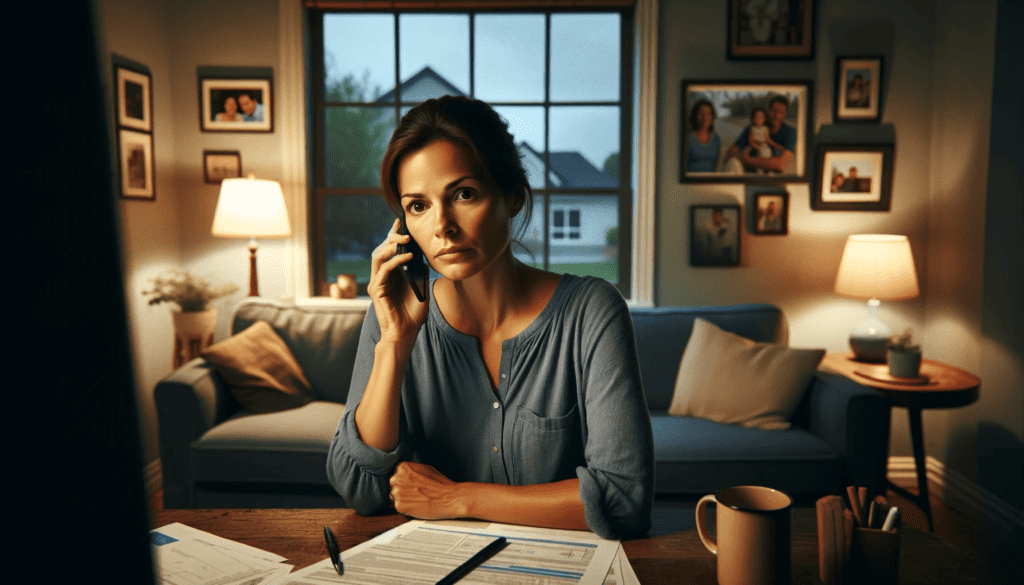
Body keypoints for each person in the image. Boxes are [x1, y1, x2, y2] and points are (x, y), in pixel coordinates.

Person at [325, 95, 654, 540]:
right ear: (403, 226)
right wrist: (395, 345)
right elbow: (361, 489)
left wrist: (457, 498)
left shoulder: (592, 310)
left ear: (512, 197)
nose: (442, 226)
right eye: (418, 206)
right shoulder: (394, 314)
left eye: (464, 194)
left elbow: (624, 498)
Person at [722, 95, 797, 174]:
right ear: (768, 110)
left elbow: (779, 164)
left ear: (785, 114)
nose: (777, 115)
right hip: (749, 173)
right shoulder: (754, 127)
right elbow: (730, 152)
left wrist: (747, 160)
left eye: (781, 112)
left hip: (772, 177)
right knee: (732, 162)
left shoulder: (790, 132)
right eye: (774, 111)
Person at [686, 99, 721, 173]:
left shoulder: (716, 139)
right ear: (695, 116)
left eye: (709, 114)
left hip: (709, 182)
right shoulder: (687, 138)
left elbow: (715, 166)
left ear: (712, 117)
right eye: (701, 114)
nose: (705, 118)